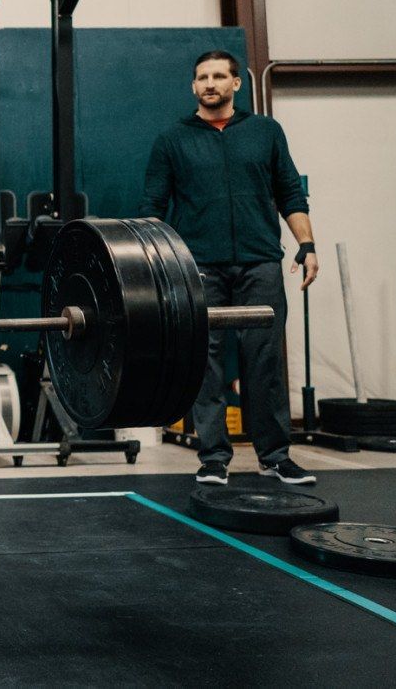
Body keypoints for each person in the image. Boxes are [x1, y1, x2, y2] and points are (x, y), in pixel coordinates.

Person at [140, 50, 319, 487]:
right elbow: (152, 209)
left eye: (219, 76)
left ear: (236, 83)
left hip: (260, 261)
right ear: (193, 86)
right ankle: (214, 458)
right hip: (198, 267)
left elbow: (290, 193)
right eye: (202, 77)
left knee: (266, 361)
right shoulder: (172, 140)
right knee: (206, 362)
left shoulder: (265, 132)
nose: (210, 83)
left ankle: (275, 456)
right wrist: (158, 267)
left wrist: (307, 245)